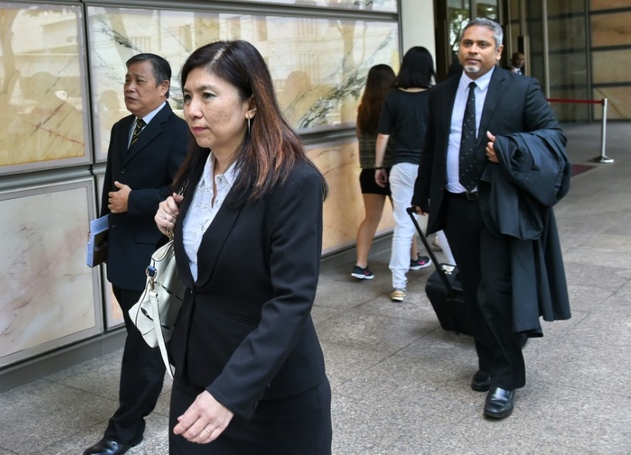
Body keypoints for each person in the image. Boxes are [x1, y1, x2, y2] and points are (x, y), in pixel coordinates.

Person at [154, 40, 332, 454]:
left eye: (208, 96)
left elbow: (292, 300)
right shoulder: (198, 163)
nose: (192, 110)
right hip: (196, 374)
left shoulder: (292, 181)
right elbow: (211, 251)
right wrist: (171, 223)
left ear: (251, 104)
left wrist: (229, 394)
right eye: (187, 97)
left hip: (269, 393)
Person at [412, 18, 571, 420]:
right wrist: (421, 195)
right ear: (458, 49)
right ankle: (488, 362)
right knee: (476, 289)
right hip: (456, 204)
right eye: (467, 43)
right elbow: (432, 145)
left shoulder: (520, 89)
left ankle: (505, 378)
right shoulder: (441, 93)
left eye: (482, 44)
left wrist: (511, 150)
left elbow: (553, 135)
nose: (473, 50)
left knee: (495, 293)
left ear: (497, 52)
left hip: (499, 207)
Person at [84, 53, 189, 455]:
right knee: (156, 341)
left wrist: (137, 201)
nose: (129, 87)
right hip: (123, 256)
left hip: (157, 260)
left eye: (140, 81)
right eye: (127, 79)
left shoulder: (180, 133)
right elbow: (112, 191)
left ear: (163, 88)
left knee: (144, 347)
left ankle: (124, 431)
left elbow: (184, 192)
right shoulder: (120, 128)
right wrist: (101, 238)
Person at [351, 64, 423, 280]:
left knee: (370, 218)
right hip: (393, 167)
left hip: (368, 170)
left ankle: (360, 264)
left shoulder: (363, 109)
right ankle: (413, 258)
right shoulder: (394, 106)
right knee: (405, 216)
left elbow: (359, 136)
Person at [374, 46, 435, 301]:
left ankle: (399, 285)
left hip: (401, 167)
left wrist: (379, 167)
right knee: (442, 221)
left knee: (402, 225)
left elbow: (383, 135)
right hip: (430, 167)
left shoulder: (393, 97)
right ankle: (455, 270)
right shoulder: (436, 96)